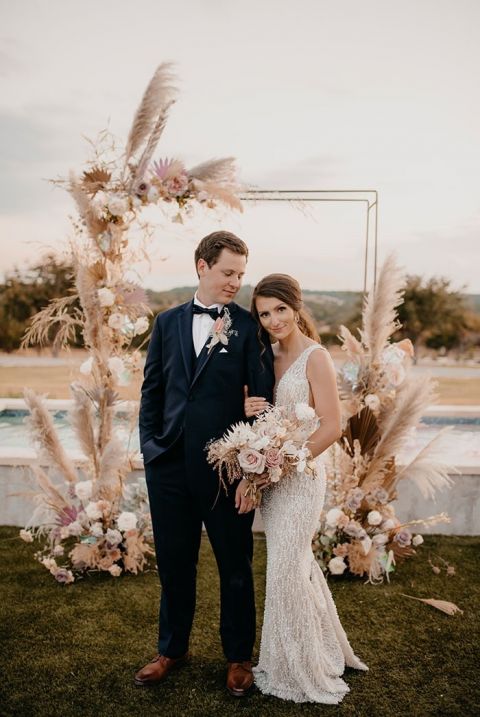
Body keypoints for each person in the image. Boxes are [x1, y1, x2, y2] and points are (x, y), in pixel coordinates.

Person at [135, 231, 274, 697]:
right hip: (168, 467)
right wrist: (151, 450)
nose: (236, 282)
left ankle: (238, 657)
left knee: (235, 564)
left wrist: (251, 471)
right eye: (227, 272)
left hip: (227, 470)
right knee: (175, 564)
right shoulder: (167, 321)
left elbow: (262, 401)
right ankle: (171, 650)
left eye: (240, 273)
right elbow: (152, 391)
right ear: (201, 266)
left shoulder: (249, 326)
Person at [244, 273, 368, 704]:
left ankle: (297, 666)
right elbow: (263, 418)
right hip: (272, 482)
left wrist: (286, 463)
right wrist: (248, 411)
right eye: (264, 313)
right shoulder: (263, 357)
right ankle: (308, 650)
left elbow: (332, 426)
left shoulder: (316, 358)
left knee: (286, 567)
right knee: (291, 565)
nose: (274, 320)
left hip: (301, 479)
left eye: (280, 309)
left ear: (296, 308)